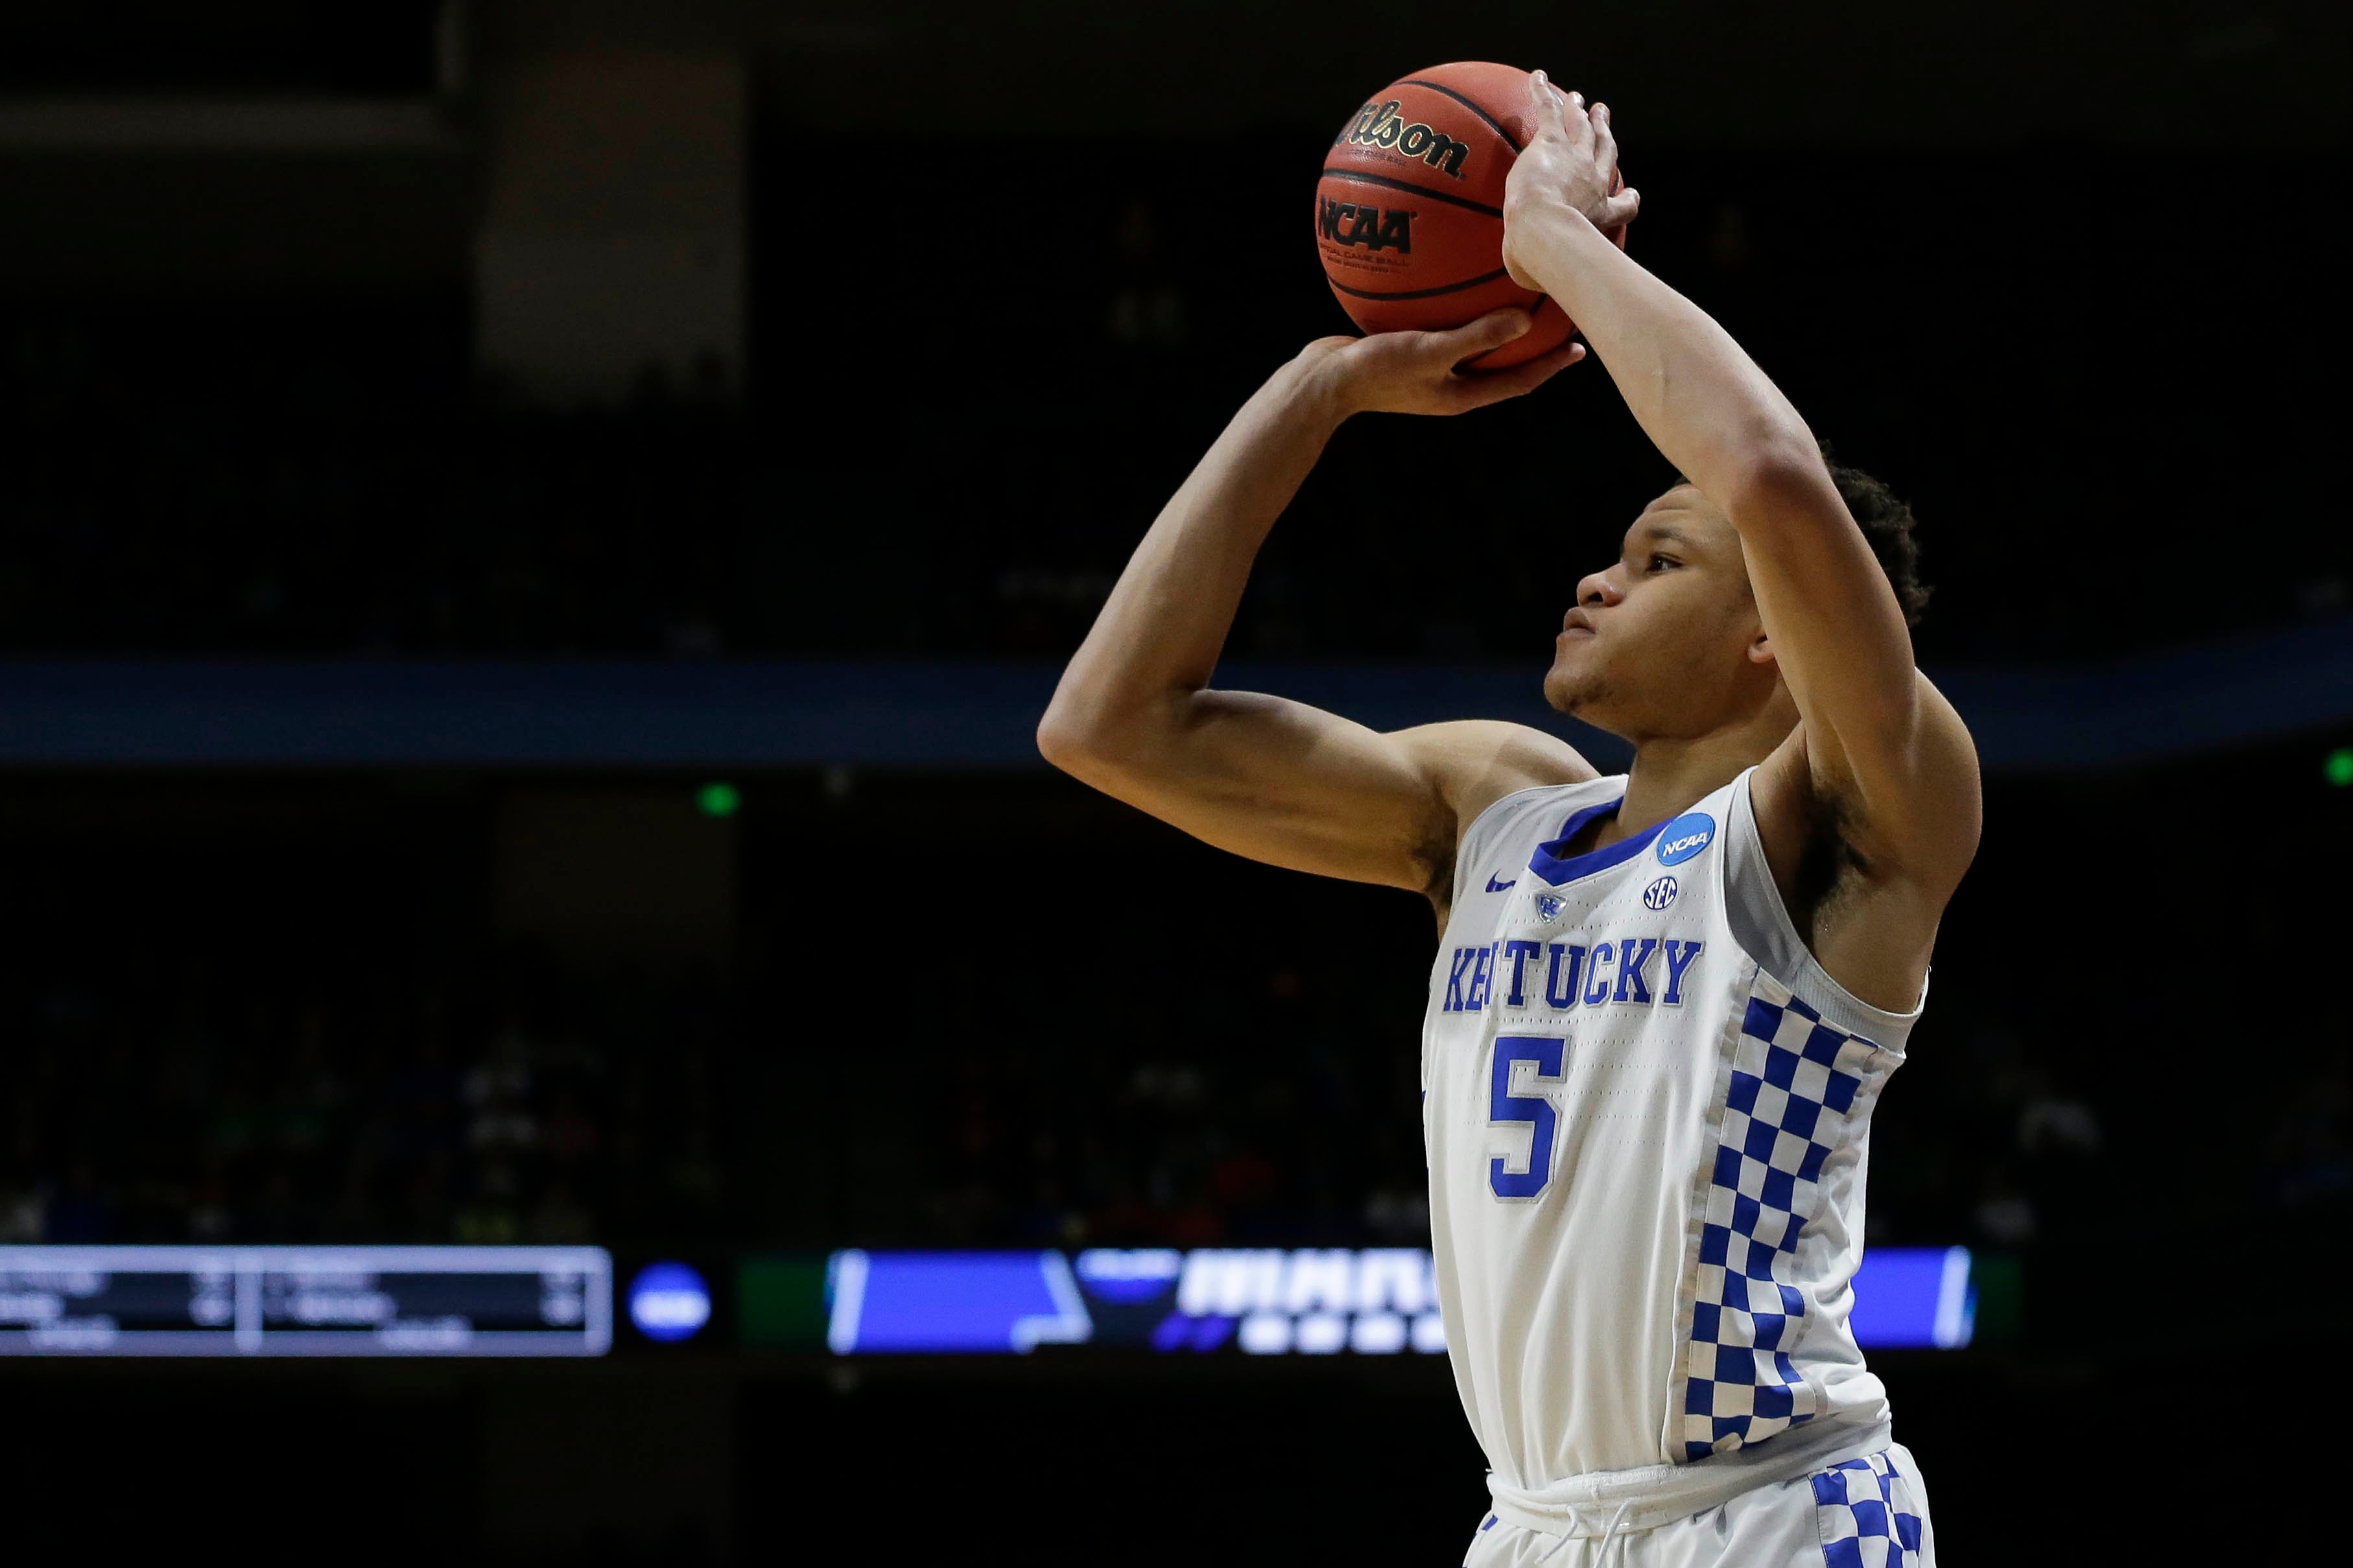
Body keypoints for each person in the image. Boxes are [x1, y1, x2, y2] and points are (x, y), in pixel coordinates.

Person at [1039, 71, 1977, 1568]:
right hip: (1530, 1528)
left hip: (1771, 1513)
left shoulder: (1854, 807)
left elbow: (1769, 475)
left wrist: (1550, 238)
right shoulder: (1495, 810)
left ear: (1773, 639)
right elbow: (1107, 725)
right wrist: (1317, 391)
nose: (1597, 579)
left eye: (1660, 561)